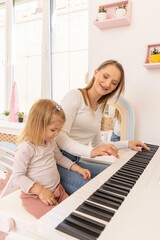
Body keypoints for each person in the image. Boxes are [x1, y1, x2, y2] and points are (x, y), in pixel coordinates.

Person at [56, 59, 150, 195]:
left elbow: (97, 143)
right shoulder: (75, 96)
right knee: (95, 192)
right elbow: (60, 138)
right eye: (105, 77)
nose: (107, 84)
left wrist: (127, 143)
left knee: (115, 176)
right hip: (58, 161)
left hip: (76, 160)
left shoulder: (99, 109)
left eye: (114, 83)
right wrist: (90, 152)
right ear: (96, 73)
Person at [12, 99, 91, 219]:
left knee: (75, 213)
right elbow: (17, 176)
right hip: (35, 197)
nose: (56, 134)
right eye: (53, 130)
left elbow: (59, 158)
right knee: (58, 220)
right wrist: (40, 191)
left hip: (57, 190)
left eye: (58, 130)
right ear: (37, 125)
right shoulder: (26, 148)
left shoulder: (50, 142)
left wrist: (78, 169)